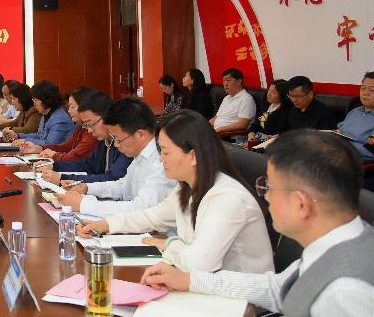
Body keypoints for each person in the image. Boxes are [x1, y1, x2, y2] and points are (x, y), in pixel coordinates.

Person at [141, 129, 374, 317]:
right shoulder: (345, 238)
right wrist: (189, 280)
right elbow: (278, 288)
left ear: (301, 204)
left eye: (269, 187)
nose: (265, 197)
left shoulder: (346, 293)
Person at [79, 110, 273, 274]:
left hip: (238, 302)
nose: (161, 159)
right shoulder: (187, 186)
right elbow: (153, 216)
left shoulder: (227, 199)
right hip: (201, 286)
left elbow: (199, 265)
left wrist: (169, 243)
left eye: (166, 152)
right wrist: (105, 225)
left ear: (193, 156)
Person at [57, 97, 176, 216]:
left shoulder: (162, 161)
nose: (116, 145)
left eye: (118, 139)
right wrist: (86, 188)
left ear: (140, 135)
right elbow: (122, 187)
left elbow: (141, 208)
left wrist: (84, 205)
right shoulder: (140, 154)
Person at [40, 91, 132, 184]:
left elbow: (112, 179)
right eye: (86, 125)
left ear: (107, 117)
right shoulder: (104, 140)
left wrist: (62, 178)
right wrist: (54, 166)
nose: (89, 131)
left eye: (91, 124)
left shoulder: (124, 143)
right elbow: (89, 165)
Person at [18, 87, 99, 161]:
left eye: (72, 107)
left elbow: (75, 156)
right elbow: (66, 146)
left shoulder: (92, 131)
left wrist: (53, 155)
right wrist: (40, 148)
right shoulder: (81, 126)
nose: (69, 111)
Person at [338, 71, 374, 161]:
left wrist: (340, 147)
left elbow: (373, 153)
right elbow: (339, 130)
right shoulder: (355, 111)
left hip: (352, 163)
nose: (365, 93)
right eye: (363, 88)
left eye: (372, 90)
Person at [9, 79, 75, 147]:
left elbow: (50, 144)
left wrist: (25, 140)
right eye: (33, 100)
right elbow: (39, 135)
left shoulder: (59, 119)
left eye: (36, 100)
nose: (34, 104)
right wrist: (18, 136)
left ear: (45, 99)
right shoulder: (45, 114)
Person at [210, 68, 256, 136]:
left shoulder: (246, 99)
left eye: (228, 80)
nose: (225, 84)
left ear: (239, 81)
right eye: (223, 81)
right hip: (216, 133)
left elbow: (242, 124)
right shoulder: (226, 98)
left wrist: (218, 130)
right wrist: (205, 126)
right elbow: (216, 118)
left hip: (228, 136)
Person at [247, 79, 292, 145]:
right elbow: (256, 124)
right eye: (268, 90)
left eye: (274, 92)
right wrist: (251, 135)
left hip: (270, 144)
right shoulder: (268, 106)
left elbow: (279, 134)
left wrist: (258, 141)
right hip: (256, 139)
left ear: (282, 95)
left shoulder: (285, 111)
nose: (268, 94)